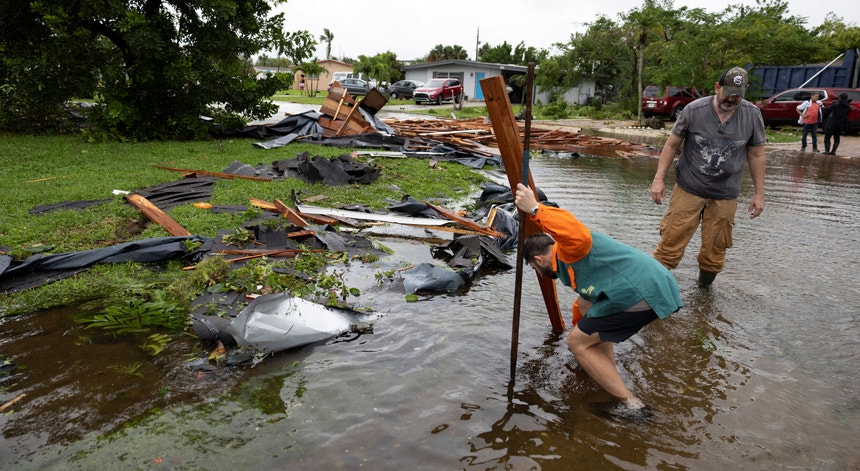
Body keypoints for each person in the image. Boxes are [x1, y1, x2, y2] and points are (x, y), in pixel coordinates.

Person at [514, 183, 683, 415]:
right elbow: (584, 306)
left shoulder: (569, 250)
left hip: (644, 290)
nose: (540, 274)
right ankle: (607, 372)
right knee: (586, 316)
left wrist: (534, 208)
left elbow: (576, 232)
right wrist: (581, 335)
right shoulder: (568, 266)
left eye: (534, 268)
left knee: (577, 342)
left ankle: (632, 406)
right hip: (654, 285)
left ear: (539, 260)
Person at [650, 66, 766, 287]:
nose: (732, 99)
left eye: (738, 94)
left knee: (716, 249)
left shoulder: (752, 114)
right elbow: (672, 144)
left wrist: (759, 194)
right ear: (717, 87)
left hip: (725, 194)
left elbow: (757, 153)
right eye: (728, 92)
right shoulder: (694, 110)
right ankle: (654, 290)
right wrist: (658, 179)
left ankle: (704, 295)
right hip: (689, 188)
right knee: (670, 242)